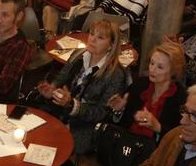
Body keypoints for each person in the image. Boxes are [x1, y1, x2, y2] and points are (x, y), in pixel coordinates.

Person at [96, 42, 187, 166]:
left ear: (173, 71)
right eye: (151, 63)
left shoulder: (180, 99)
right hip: (126, 146)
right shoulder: (139, 85)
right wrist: (119, 110)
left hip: (153, 157)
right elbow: (119, 124)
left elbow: (179, 138)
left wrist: (157, 127)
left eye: (160, 67)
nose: (152, 69)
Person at [36, 19, 127, 154]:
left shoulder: (116, 74)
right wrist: (52, 89)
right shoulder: (78, 55)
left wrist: (73, 106)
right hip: (61, 112)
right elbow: (62, 77)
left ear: (110, 46)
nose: (92, 39)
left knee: (47, 145)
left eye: (100, 37)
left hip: (84, 126)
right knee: (35, 132)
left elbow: (101, 113)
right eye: (91, 34)